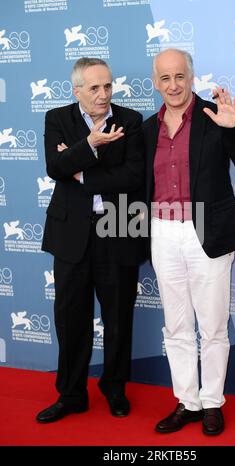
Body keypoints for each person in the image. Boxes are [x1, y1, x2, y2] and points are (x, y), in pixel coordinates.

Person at [142, 48, 235, 436]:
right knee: (175, 326)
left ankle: (212, 402)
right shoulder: (147, 129)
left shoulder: (215, 116)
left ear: (191, 77)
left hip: (206, 232)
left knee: (211, 326)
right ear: (155, 82)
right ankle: (187, 401)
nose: (173, 85)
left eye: (180, 76)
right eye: (165, 78)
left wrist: (234, 127)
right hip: (163, 232)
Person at [36, 57, 146, 423]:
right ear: (77, 90)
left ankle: (115, 389)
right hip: (71, 234)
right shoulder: (57, 119)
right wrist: (90, 144)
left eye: (108, 86)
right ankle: (71, 394)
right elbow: (55, 168)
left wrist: (81, 170)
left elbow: (132, 176)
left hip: (117, 229)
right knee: (70, 319)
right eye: (95, 88)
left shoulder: (130, 121)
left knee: (118, 318)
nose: (103, 94)